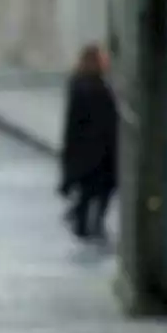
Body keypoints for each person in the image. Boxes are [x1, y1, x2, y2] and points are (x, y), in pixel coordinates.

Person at [60, 45, 117, 241]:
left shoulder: (90, 83)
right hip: (93, 150)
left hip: (95, 149)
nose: (106, 62)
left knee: (97, 189)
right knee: (93, 189)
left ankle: (86, 222)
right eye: (103, 59)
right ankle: (85, 225)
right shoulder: (89, 86)